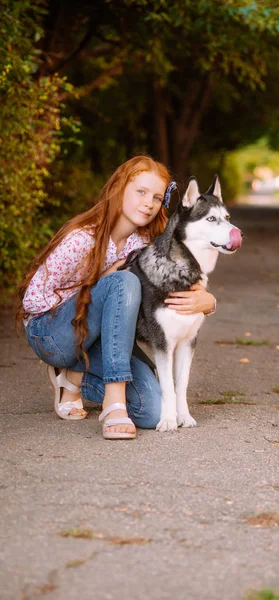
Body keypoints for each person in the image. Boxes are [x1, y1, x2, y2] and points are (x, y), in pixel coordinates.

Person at [16, 156, 216, 440]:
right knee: (122, 280)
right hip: (52, 334)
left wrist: (208, 302)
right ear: (119, 189)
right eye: (141, 192)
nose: (149, 202)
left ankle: (73, 377)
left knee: (152, 410)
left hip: (98, 338)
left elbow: (176, 278)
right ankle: (114, 403)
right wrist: (98, 287)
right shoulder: (82, 239)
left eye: (157, 197)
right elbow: (33, 300)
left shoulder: (145, 246)